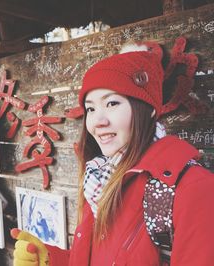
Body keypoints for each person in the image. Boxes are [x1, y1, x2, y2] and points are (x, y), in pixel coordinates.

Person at [11, 46, 214, 265]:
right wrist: (49, 259)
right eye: (91, 109)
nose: (99, 121)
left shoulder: (193, 188)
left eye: (112, 103)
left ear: (150, 109)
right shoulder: (99, 177)